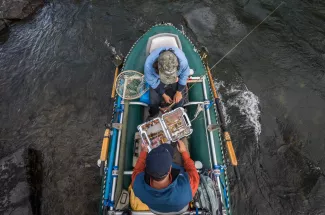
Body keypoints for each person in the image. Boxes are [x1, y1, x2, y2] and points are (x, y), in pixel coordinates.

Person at [131, 140, 199, 214]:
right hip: (179, 208)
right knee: (182, 141)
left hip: (156, 209)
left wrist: (144, 151)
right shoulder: (188, 187)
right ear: (170, 168)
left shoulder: (137, 185)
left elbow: (137, 170)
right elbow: (193, 172)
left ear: (146, 168)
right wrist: (183, 152)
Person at [144, 47, 190, 117]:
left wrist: (179, 92)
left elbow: (184, 75)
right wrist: (164, 95)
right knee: (153, 101)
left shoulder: (183, 62)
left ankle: (177, 113)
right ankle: (154, 113)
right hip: (157, 79)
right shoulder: (148, 65)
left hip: (175, 78)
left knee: (179, 100)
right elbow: (152, 82)